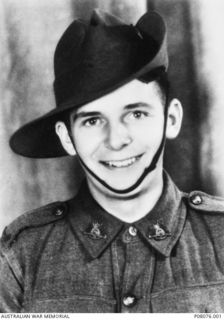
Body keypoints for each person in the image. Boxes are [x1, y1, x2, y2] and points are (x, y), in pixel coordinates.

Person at [1, 8, 224, 313]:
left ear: (170, 119)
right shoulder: (22, 255)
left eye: (136, 114)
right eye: (93, 121)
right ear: (67, 138)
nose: (116, 140)